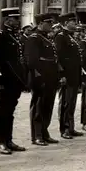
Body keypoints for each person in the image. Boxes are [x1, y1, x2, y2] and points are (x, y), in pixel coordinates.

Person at [0, 7, 28, 154]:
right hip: (4, 81)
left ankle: (9, 140)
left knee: (10, 112)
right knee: (3, 112)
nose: (18, 21)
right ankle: (1, 142)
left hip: (14, 81)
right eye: (15, 19)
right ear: (7, 20)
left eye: (18, 18)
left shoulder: (14, 37)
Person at [24, 13, 61, 146]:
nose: (51, 26)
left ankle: (44, 132)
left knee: (48, 106)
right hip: (40, 77)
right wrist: (38, 77)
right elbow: (32, 61)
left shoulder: (46, 38)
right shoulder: (34, 38)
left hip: (51, 77)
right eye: (49, 23)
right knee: (38, 106)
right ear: (40, 23)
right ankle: (37, 135)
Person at [54, 12, 84, 140]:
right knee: (65, 103)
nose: (75, 23)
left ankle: (70, 127)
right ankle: (64, 129)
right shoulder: (60, 37)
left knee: (71, 103)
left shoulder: (70, 37)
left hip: (74, 75)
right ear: (66, 23)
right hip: (66, 75)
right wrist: (61, 74)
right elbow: (58, 58)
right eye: (73, 21)